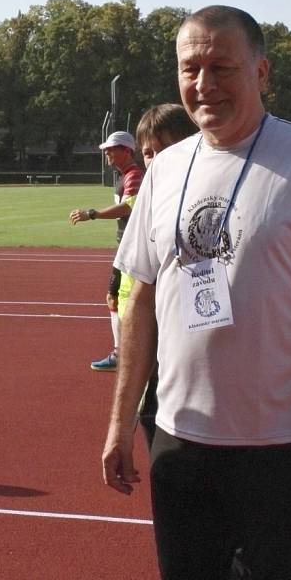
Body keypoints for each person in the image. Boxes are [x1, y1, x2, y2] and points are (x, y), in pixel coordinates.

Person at [102, 6, 291, 580]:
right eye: (190, 67)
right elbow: (142, 300)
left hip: (277, 444)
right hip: (177, 439)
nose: (204, 84)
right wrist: (121, 422)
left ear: (262, 71)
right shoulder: (165, 169)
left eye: (221, 66)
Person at [130, 104, 197, 448]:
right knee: (151, 419)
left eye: (164, 149)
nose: (156, 160)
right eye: (148, 153)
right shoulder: (152, 198)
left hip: (201, 353)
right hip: (160, 349)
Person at [69, 130, 144, 371]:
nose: (107, 154)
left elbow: (128, 208)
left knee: (124, 300)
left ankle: (126, 354)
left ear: (126, 151)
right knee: (116, 299)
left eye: (111, 150)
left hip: (132, 249)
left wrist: (93, 214)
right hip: (125, 246)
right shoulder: (124, 176)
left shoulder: (134, 175)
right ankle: (124, 352)